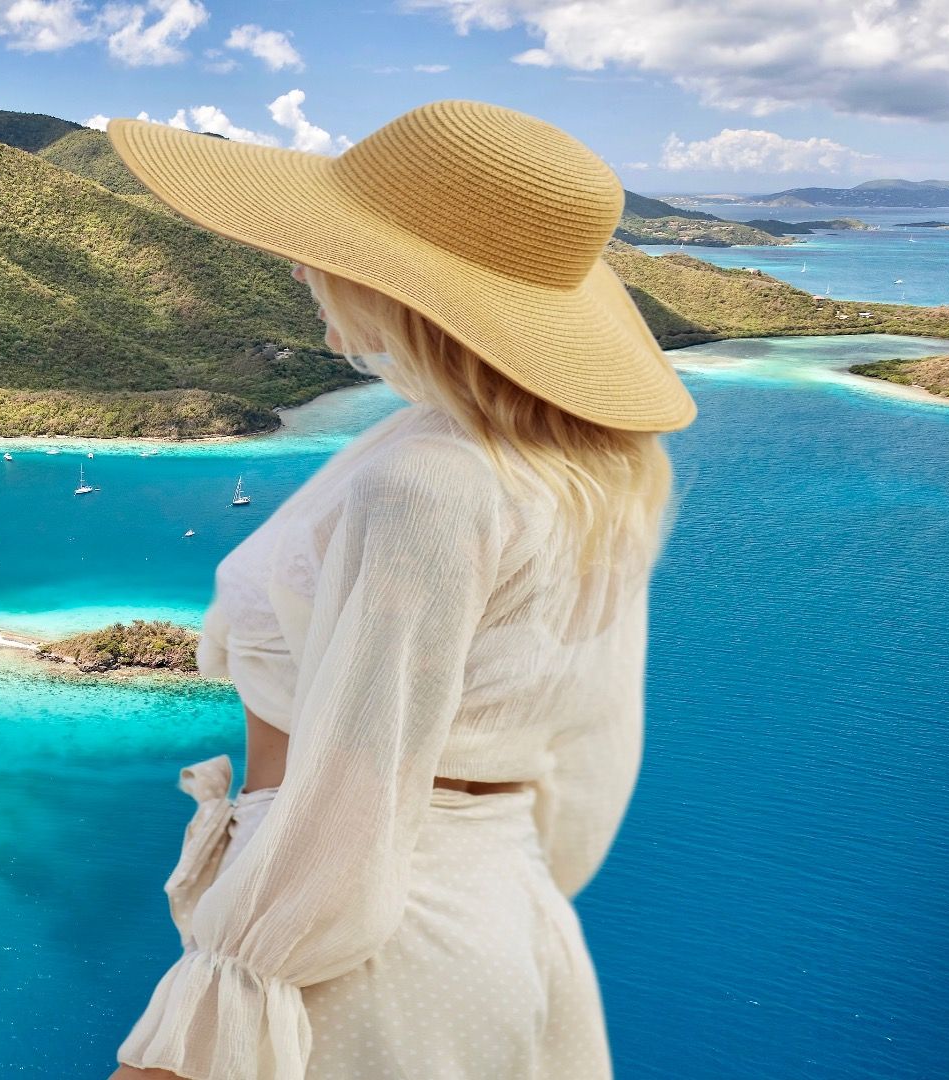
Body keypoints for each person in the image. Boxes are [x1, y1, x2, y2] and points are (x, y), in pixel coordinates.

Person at [99, 100, 697, 1080]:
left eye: (333, 247)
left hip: (364, 949)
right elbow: (591, 764)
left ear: (411, 286)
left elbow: (352, 782)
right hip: (504, 917)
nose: (301, 266)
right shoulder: (586, 468)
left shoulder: (424, 480)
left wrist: (201, 1021)